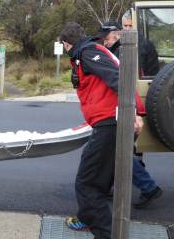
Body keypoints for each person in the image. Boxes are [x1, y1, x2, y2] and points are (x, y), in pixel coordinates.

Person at [59, 22, 145, 238]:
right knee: (100, 181)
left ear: (66, 44)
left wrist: (133, 112)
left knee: (86, 183)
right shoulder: (88, 52)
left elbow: (117, 77)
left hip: (112, 122)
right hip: (110, 121)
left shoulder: (88, 53)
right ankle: (87, 219)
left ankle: (105, 233)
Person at [96, 22, 163, 209]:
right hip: (135, 104)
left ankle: (149, 187)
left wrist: (132, 112)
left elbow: (124, 84)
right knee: (123, 150)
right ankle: (109, 186)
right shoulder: (129, 48)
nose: (104, 42)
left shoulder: (124, 52)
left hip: (129, 107)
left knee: (121, 151)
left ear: (117, 35)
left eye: (106, 38)